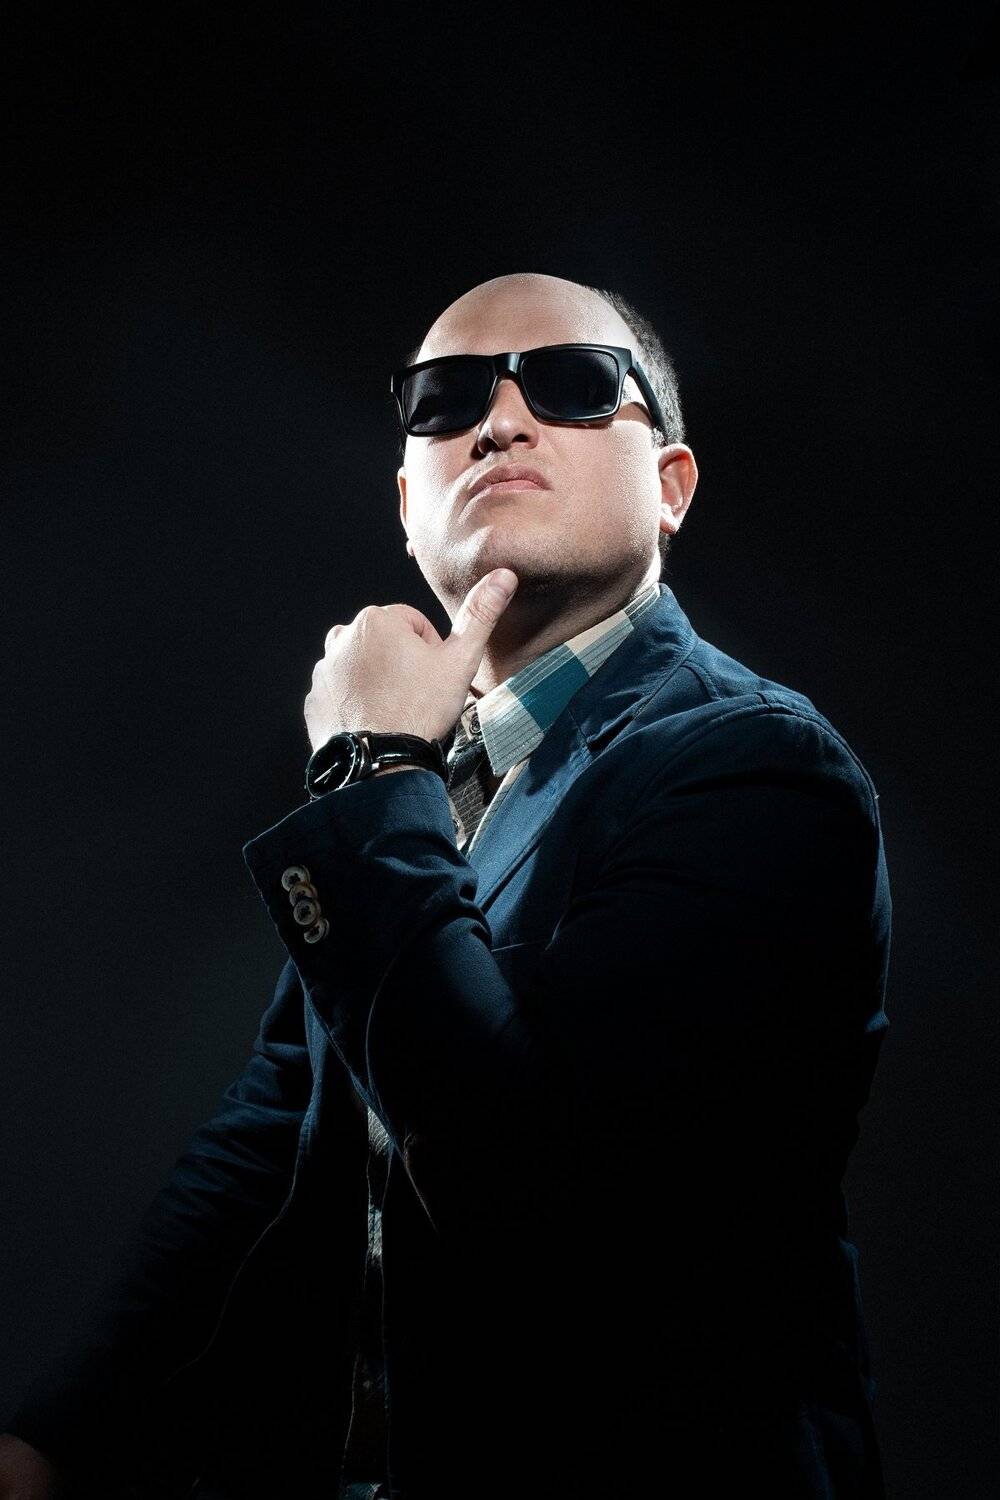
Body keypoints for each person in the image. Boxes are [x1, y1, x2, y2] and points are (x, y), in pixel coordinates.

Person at [1, 271, 892, 1499]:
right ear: (406, 500)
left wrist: (369, 767)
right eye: (445, 400)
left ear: (671, 486)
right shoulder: (428, 777)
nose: (501, 421)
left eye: (572, 385)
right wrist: (57, 1438)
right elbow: (270, 1134)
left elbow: (540, 1198)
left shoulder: (758, 769)